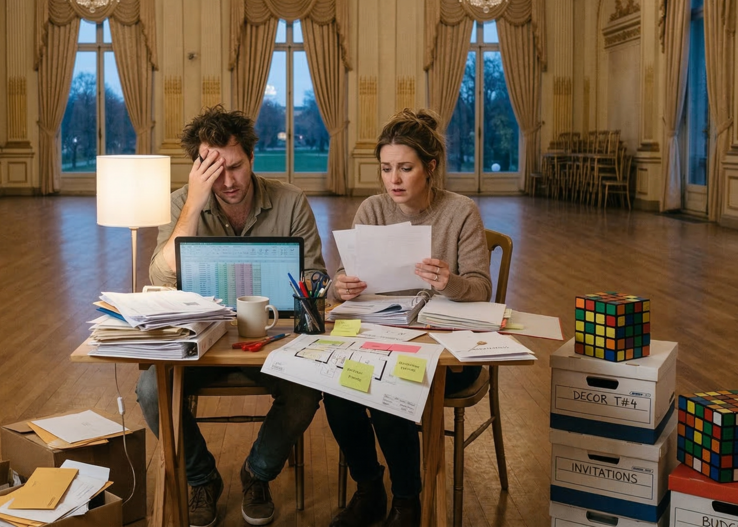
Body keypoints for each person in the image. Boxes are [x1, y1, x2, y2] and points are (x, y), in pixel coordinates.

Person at [138, 105, 326, 527]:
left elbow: (314, 276)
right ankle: (202, 478)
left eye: (236, 167)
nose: (227, 181)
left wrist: (317, 289)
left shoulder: (290, 201)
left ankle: (257, 473)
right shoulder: (180, 203)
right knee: (150, 390)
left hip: (270, 341)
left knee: (306, 390)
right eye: (213, 171)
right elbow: (160, 276)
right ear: (197, 171)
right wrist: (194, 203)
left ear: (252, 157)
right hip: (202, 342)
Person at [325, 108, 492, 527]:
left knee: (387, 385)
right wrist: (340, 286)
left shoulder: (460, 211)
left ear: (430, 167)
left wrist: (450, 282)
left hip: (444, 348)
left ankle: (407, 501)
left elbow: (481, 289)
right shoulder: (372, 209)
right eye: (386, 169)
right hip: (379, 337)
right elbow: (340, 281)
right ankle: (369, 489)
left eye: (405, 168)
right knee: (335, 389)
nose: (393, 180)